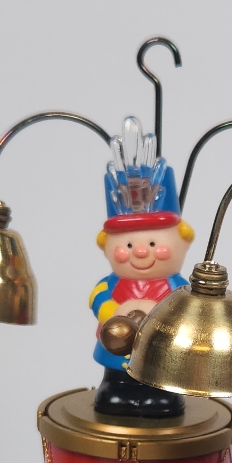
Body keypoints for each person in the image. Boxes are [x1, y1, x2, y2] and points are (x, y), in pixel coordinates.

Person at [89, 117, 195, 417]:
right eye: (128, 244)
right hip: (116, 351)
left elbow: (186, 313)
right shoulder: (110, 283)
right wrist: (112, 310)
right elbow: (97, 299)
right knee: (115, 385)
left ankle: (160, 395)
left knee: (159, 383)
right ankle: (116, 389)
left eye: (152, 243)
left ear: (183, 242)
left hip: (160, 360)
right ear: (106, 246)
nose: (140, 251)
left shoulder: (177, 288)